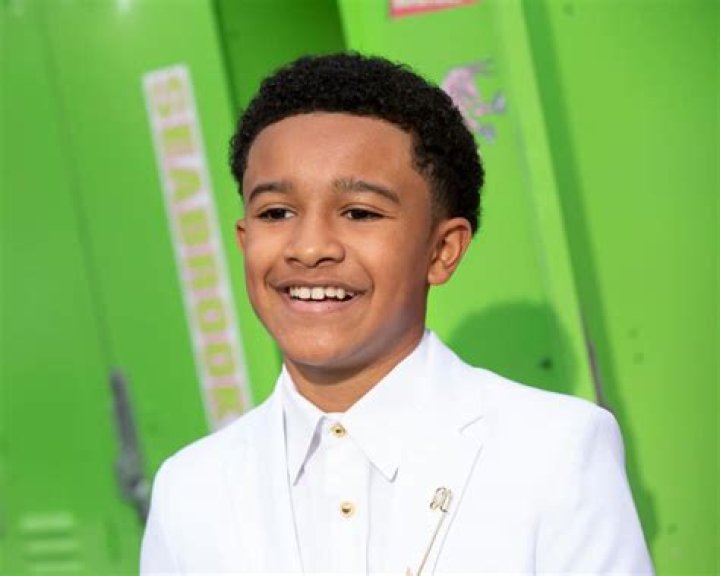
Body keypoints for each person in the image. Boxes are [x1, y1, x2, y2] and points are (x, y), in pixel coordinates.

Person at [141, 53, 653, 575]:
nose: (310, 247)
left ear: (442, 250)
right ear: (244, 238)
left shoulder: (554, 450)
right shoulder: (190, 489)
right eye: (276, 212)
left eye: (359, 213)